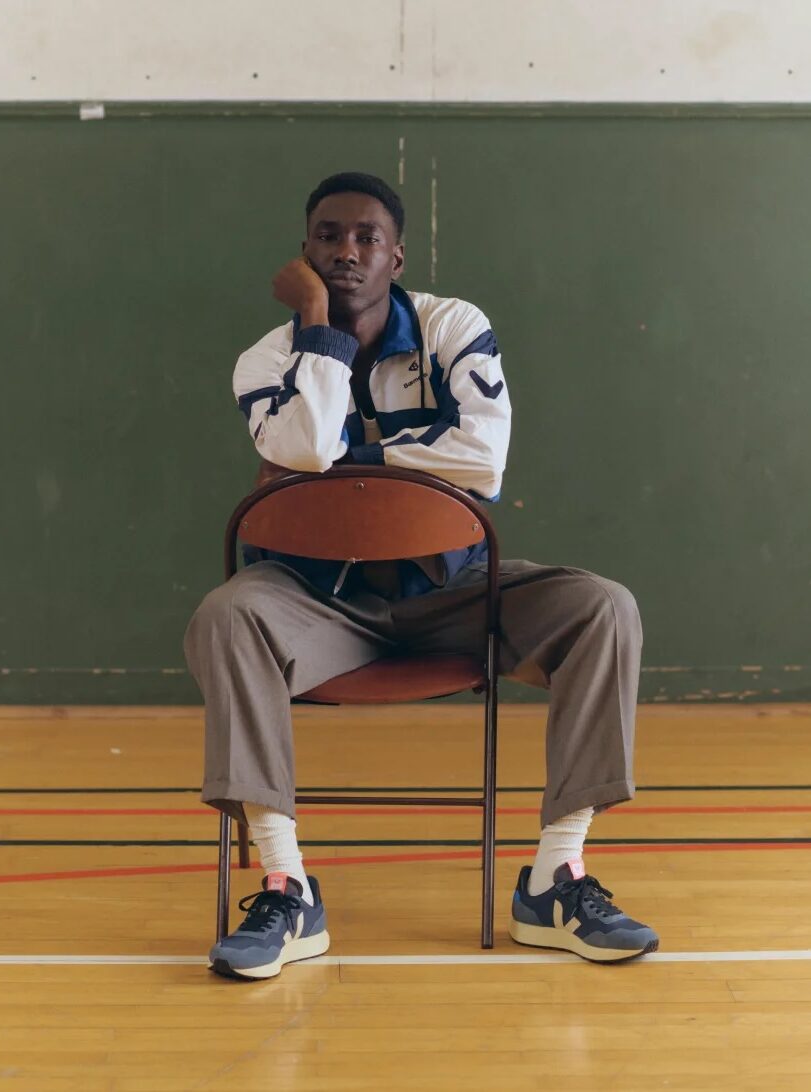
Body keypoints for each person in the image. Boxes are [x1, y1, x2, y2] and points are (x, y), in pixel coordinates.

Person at [184, 171, 659, 980]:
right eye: (328, 236)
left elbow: (480, 462)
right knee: (225, 616)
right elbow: (300, 449)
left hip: (452, 593)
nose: (346, 251)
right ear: (304, 252)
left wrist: (353, 461)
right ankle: (285, 884)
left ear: (395, 256)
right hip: (317, 604)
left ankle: (555, 877)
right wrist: (316, 328)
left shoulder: (451, 327)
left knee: (603, 608)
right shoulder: (265, 358)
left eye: (366, 237)